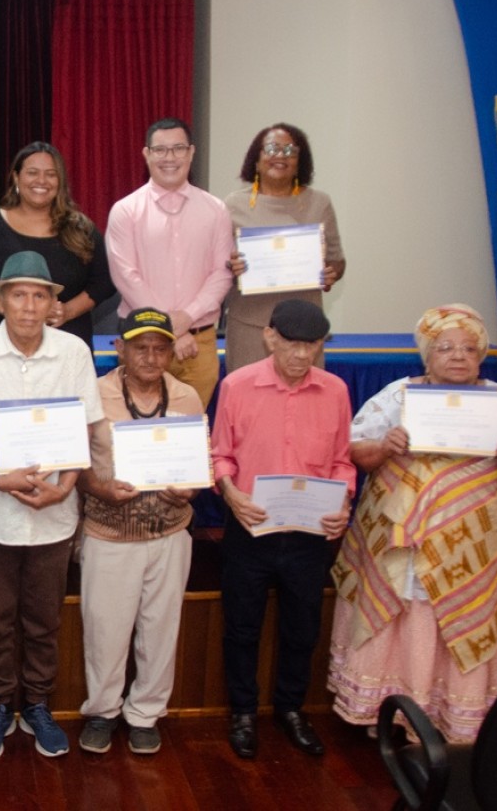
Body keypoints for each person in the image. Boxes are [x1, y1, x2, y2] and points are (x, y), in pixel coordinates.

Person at [328, 304, 497, 743]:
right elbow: (355, 452)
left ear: (482, 355)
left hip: (473, 547)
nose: (458, 356)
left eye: (469, 348)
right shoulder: (398, 396)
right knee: (402, 611)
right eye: (445, 347)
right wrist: (385, 445)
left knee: (460, 614)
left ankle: (456, 716)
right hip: (401, 543)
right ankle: (387, 710)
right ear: (426, 355)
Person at [0, 251, 104, 762]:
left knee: (43, 620)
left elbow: (83, 427)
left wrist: (68, 486)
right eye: (19, 294)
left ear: (54, 302)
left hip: (56, 514)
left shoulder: (74, 351)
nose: (30, 305)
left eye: (40, 295)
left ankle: (35, 703)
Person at [211, 299, 355, 760]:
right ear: (270, 337)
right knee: (242, 626)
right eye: (291, 344)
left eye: (311, 345)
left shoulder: (334, 391)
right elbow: (220, 455)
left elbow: (341, 462)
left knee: (302, 627)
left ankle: (291, 709)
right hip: (250, 529)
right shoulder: (237, 385)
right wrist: (230, 493)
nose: (300, 355)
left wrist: (343, 504)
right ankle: (244, 713)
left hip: (310, 534)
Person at [76, 308, 204, 755]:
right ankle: (104, 711)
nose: (150, 356)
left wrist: (189, 491)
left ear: (171, 351)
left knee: (160, 628)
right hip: (109, 532)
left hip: (170, 532)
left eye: (160, 347)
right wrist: (100, 488)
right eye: (140, 347)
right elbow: (76, 467)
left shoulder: (188, 397)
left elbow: (196, 465)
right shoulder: (93, 396)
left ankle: (146, 712)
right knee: (105, 630)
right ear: (120, 349)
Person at [105, 119, 233, 406]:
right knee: (142, 431)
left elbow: (221, 275)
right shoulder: (125, 211)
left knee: (190, 435)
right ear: (146, 154)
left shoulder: (216, 210)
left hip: (198, 344)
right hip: (143, 340)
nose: (169, 158)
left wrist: (186, 319)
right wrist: (172, 329)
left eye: (177, 148)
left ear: (191, 152)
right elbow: (126, 276)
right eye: (160, 150)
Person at [0, 142, 115, 348]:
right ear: (17, 177)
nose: (41, 181)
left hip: (68, 341)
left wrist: (68, 311)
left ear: (60, 181)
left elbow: (105, 281)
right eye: (32, 172)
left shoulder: (81, 228)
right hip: (2, 343)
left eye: (51, 174)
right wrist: (3, 306)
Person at [223, 124, 346, 373]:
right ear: (256, 160)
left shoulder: (319, 203)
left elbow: (337, 260)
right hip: (250, 327)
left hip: (305, 330)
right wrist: (230, 266)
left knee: (304, 405)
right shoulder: (233, 205)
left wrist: (330, 273)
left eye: (290, 150)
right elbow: (217, 266)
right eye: (271, 148)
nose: (280, 155)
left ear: (300, 161)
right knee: (249, 404)